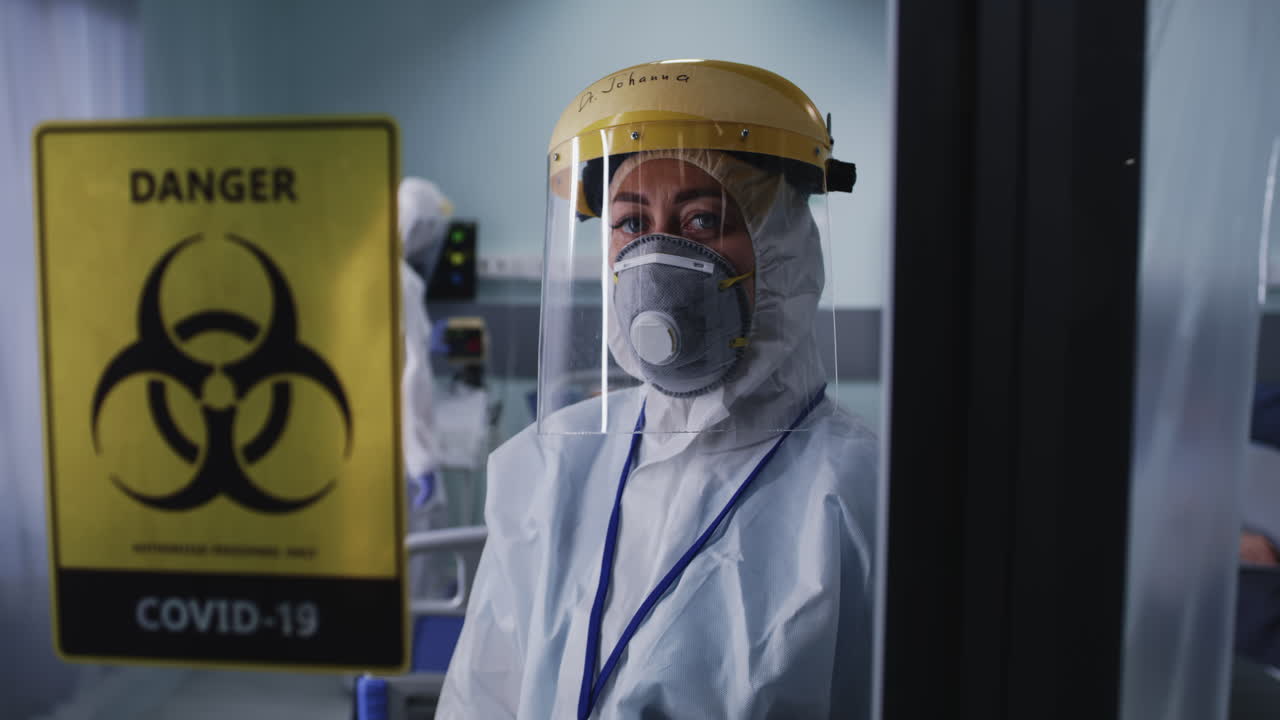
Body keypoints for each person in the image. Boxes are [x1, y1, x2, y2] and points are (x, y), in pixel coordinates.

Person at [437, 59, 876, 719]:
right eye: (632, 225)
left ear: (782, 242)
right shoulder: (550, 468)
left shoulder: (862, 499)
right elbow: (482, 696)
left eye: (703, 220)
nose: (656, 261)